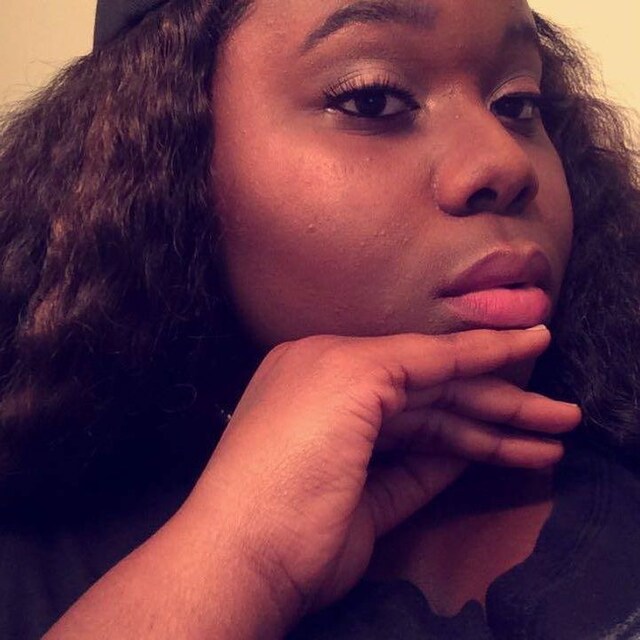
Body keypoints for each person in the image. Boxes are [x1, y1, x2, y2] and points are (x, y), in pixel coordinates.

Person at [0, 0, 639, 637]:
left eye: (518, 104)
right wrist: (240, 556)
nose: (505, 162)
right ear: (166, 165)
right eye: (372, 100)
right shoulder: (29, 560)